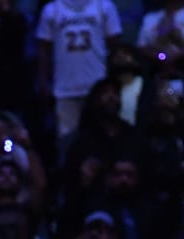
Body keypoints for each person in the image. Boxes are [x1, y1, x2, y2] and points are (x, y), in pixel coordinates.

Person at [35, 0, 122, 140]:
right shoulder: (51, 10)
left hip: (98, 88)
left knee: (99, 139)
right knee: (67, 141)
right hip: (64, 89)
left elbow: (115, 47)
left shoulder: (104, 6)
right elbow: (43, 50)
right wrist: (43, 81)